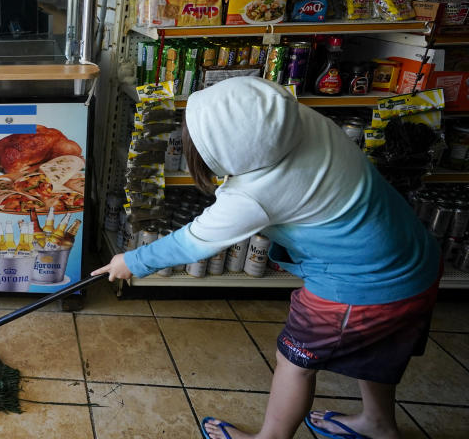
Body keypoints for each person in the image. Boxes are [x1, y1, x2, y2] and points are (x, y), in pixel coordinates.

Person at [93, 77, 441, 439]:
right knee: (378, 349)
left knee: (293, 363)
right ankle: (379, 424)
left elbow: (192, 243)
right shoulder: (299, 122)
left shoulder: (255, 194)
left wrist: (131, 262)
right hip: (414, 258)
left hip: (365, 284)